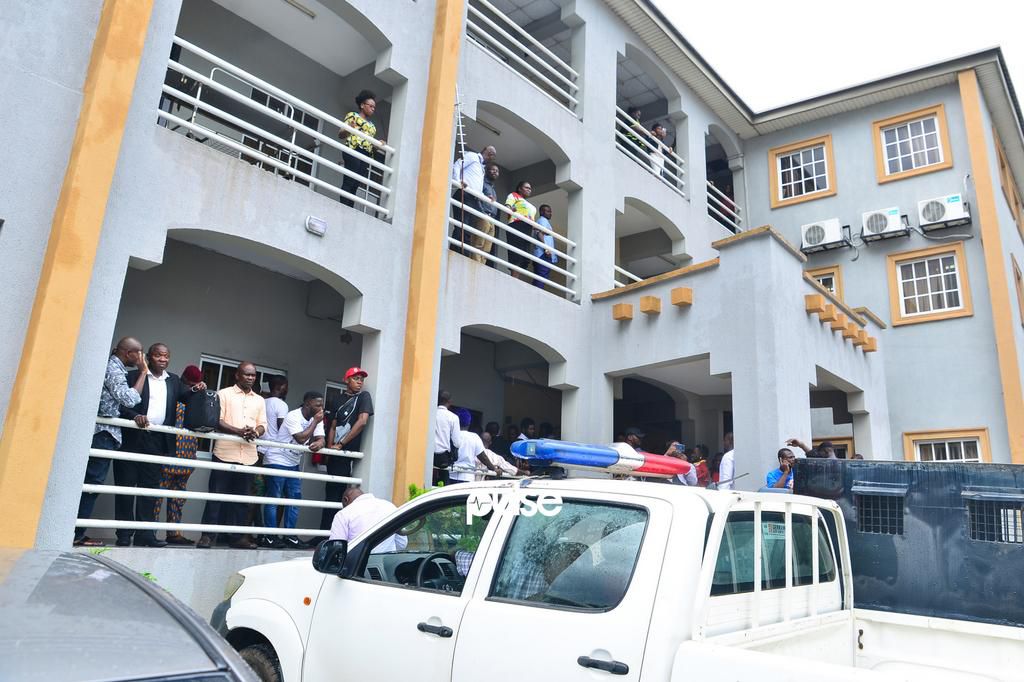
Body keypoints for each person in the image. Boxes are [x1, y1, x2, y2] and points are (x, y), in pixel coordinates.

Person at [116, 343, 204, 548]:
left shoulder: (173, 380)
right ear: (149, 357)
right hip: (133, 436)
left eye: (166, 356)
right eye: (158, 355)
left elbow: (184, 397)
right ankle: (123, 533)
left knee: (150, 489)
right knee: (126, 487)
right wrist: (134, 415)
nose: (163, 359)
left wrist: (195, 389)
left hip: (158, 440)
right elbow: (122, 405)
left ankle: (145, 534)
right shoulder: (133, 376)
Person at [74, 337, 148, 547]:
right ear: (129, 354)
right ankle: (76, 533)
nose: (141, 357)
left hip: (106, 434)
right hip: (103, 434)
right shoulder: (113, 370)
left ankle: (77, 531)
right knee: (92, 484)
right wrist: (143, 372)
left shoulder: (116, 368)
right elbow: (130, 399)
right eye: (139, 352)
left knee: (92, 484)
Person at [197, 362, 267, 550]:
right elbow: (217, 420)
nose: (250, 378)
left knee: (242, 500)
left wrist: (256, 433)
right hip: (225, 453)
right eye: (247, 375)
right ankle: (208, 536)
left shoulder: (259, 400)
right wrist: (238, 431)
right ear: (237, 375)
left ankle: (237, 538)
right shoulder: (224, 393)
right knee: (216, 497)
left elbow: (263, 425)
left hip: (249, 456)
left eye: (253, 375)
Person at [260, 391, 326, 548]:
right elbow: (301, 438)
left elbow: (320, 438)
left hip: (293, 462)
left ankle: (289, 535)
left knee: (294, 499)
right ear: (308, 404)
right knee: (274, 498)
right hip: (276, 459)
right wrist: (315, 422)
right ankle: (269, 536)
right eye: (318, 405)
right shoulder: (293, 416)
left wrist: (320, 443)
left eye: (322, 405)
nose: (321, 408)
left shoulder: (317, 419)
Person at [155, 364, 204, 545]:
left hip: (186, 455)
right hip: (170, 452)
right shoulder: (173, 393)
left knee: (178, 496)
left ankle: (174, 533)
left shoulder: (198, 399)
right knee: (158, 494)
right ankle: (150, 532)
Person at [321, 367, 374, 529]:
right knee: (330, 493)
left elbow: (362, 421)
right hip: (335, 454)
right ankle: (322, 534)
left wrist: (341, 444)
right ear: (346, 380)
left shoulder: (364, 397)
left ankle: (334, 533)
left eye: (361, 379)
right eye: (355, 378)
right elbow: (332, 426)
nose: (359, 382)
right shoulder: (336, 399)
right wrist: (330, 449)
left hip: (348, 453)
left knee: (342, 496)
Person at [339, 89, 385, 207]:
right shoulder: (353, 116)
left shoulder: (372, 127)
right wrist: (349, 128)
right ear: (362, 105)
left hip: (365, 154)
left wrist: (377, 143)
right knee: (349, 179)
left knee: (356, 183)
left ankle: (350, 207)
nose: (373, 109)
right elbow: (341, 134)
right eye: (370, 106)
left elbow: (371, 144)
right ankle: (343, 206)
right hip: (353, 149)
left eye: (374, 107)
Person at [451, 146, 498, 260]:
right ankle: (456, 252)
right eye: (493, 156)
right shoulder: (472, 156)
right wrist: (458, 181)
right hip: (464, 193)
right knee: (462, 225)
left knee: (472, 227)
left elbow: (475, 185)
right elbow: (457, 165)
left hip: (473, 197)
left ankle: (465, 253)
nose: (492, 159)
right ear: (490, 154)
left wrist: (485, 196)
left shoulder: (481, 167)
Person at [329, 486, 407, 553]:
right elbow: (402, 543)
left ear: (346, 500)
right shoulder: (390, 507)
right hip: (386, 564)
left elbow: (336, 548)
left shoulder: (344, 513)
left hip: (357, 566)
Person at [451, 408, 497, 482]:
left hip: (451, 474)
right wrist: (494, 469)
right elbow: (483, 457)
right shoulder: (474, 436)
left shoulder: (451, 435)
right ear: (469, 423)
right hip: (467, 476)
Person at [504, 181, 537, 279]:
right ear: (519, 189)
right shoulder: (514, 195)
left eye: (530, 188)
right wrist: (510, 209)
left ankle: (516, 279)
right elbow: (507, 206)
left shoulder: (531, 206)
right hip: (517, 225)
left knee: (524, 257)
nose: (529, 190)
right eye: (526, 187)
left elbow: (532, 220)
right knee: (516, 255)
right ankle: (513, 279)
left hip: (528, 228)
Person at [433, 390, 462, 486]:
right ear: (449, 401)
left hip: (428, 456)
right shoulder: (453, 417)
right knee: (443, 487)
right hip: (443, 458)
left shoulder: (430, 414)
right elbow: (457, 442)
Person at [479, 163, 501, 266]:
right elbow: (478, 197)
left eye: (497, 171)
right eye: (493, 170)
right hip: (484, 215)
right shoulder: (482, 183)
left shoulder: (493, 188)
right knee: (479, 242)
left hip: (492, 218)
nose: (495, 172)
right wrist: (481, 212)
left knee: (487, 247)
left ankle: (482, 265)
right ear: (487, 171)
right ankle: (476, 263)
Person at [532, 204, 558, 289]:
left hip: (543, 254)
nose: (550, 213)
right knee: (541, 277)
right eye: (548, 211)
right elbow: (540, 234)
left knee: (540, 277)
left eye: (550, 211)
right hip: (543, 254)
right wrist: (546, 249)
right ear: (542, 212)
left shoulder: (543, 221)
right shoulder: (543, 220)